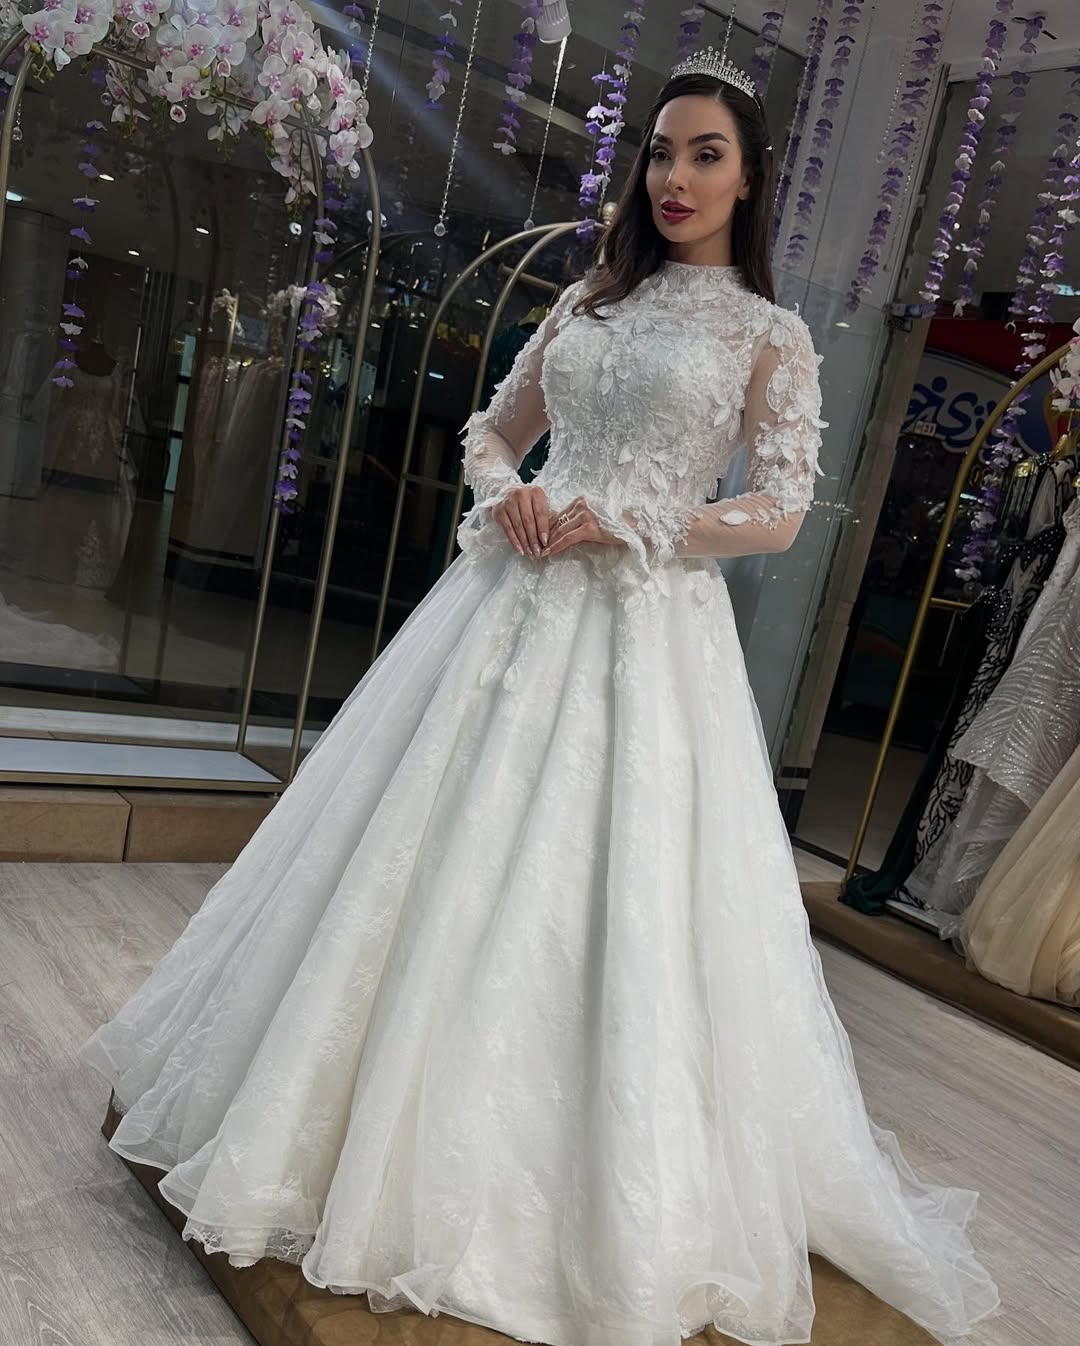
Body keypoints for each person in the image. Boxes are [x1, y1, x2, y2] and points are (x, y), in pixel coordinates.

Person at [80, 50, 1001, 1346]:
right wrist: (503, 490)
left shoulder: (767, 336)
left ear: (749, 180)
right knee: (421, 851)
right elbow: (492, 432)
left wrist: (635, 520)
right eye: (661, 151)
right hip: (506, 605)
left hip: (644, 630)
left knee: (608, 886)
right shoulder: (587, 299)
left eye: (706, 155)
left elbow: (781, 513)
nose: (676, 176)